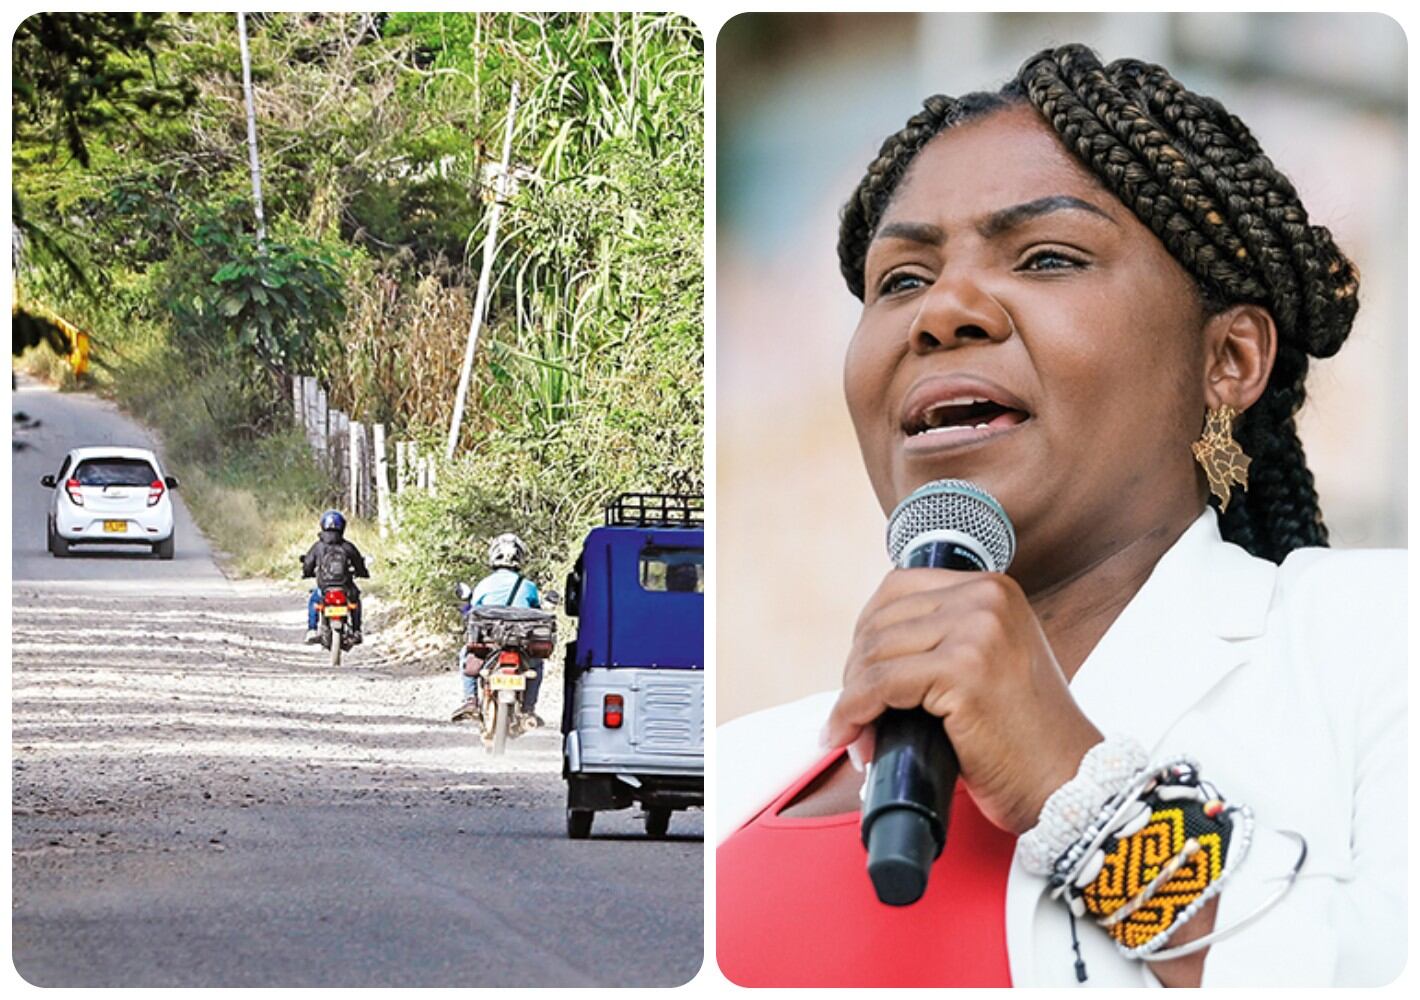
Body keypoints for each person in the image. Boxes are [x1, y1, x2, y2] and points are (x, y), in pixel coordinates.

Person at [715, 44, 1403, 988]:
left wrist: (1081, 794)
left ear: (1229, 359)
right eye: (901, 280)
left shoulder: (1374, 647)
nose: (942, 310)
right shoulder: (736, 768)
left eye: (1046, 257)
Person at [450, 532, 547, 726]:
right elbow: (536, 609)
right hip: (521, 644)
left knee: (465, 655)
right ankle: (528, 709)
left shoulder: (484, 584)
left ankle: (470, 701)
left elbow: (473, 608)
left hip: (490, 643)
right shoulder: (528, 586)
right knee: (537, 665)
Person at [300, 510, 370, 644]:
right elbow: (359, 564)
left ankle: (312, 630)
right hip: (346, 587)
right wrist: (363, 573)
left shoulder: (318, 546)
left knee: (314, 601)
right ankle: (356, 630)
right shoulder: (347, 546)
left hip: (324, 587)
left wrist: (306, 572)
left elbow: (308, 563)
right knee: (355, 602)